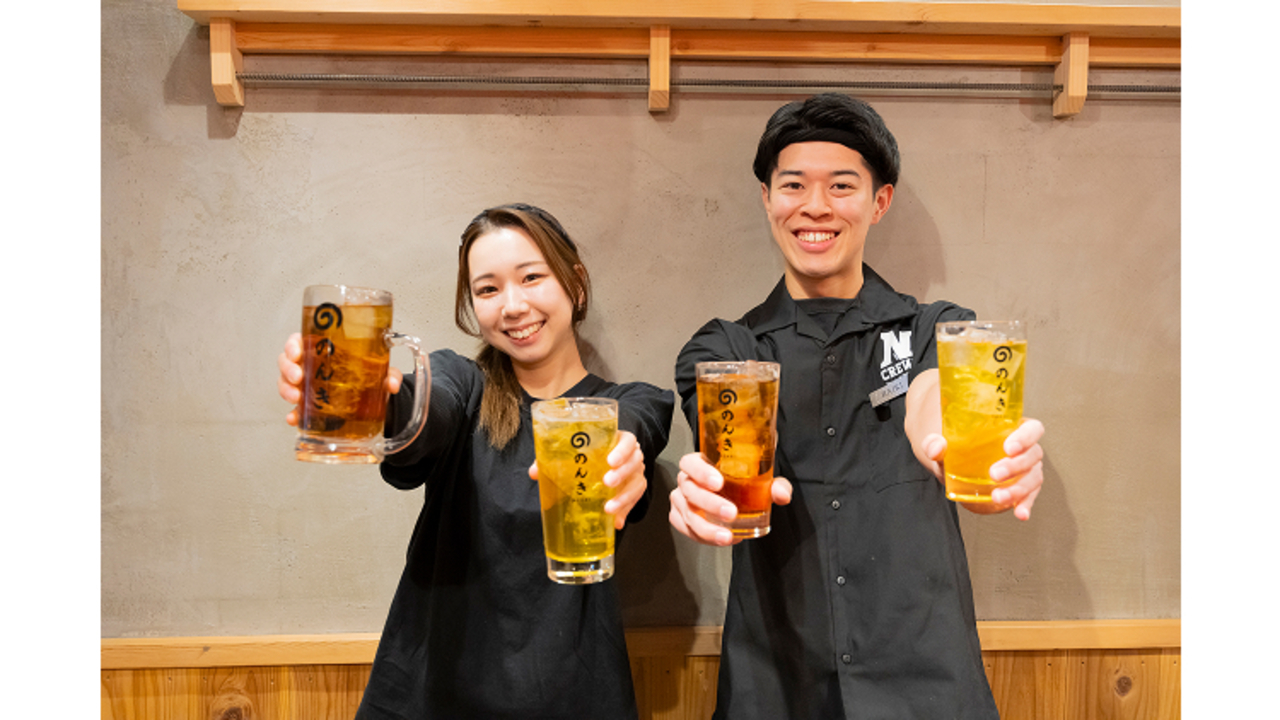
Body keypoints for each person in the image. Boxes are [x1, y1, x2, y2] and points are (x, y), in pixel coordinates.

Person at [668, 94, 1046, 719]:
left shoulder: (935, 330)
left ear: (879, 202)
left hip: (925, 684)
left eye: (841, 186)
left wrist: (951, 448)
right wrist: (706, 492)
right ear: (767, 198)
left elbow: (933, 398)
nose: (815, 206)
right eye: (793, 185)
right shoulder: (727, 349)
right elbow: (729, 447)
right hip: (777, 685)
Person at [277, 203, 674, 719]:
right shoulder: (463, 384)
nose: (512, 306)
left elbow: (634, 425)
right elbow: (424, 409)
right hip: (431, 693)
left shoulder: (627, 404)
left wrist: (622, 454)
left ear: (576, 285)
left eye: (531, 278)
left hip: (571, 693)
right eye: (487, 289)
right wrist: (375, 397)